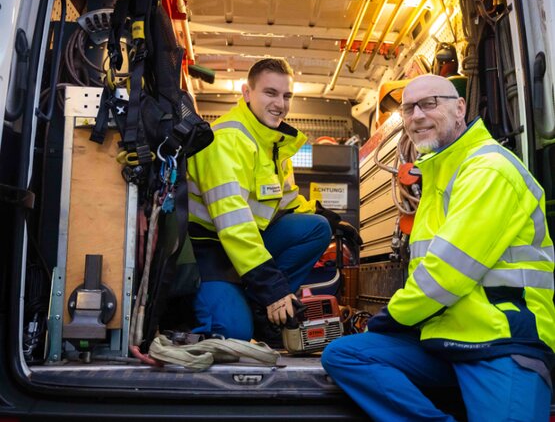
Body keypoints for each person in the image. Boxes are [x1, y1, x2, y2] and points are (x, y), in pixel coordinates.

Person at [322, 74, 555, 421]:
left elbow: (446, 275)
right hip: (445, 341)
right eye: (408, 109)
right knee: (345, 354)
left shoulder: (489, 170)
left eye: (430, 103)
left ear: (460, 107)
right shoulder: (436, 176)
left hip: (500, 342)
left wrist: (388, 321)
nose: (417, 115)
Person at [187, 58, 345, 344]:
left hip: (249, 245)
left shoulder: (272, 142)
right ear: (247, 93)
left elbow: (284, 203)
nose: (280, 104)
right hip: (212, 251)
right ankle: (263, 301)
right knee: (234, 334)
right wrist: (272, 287)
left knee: (317, 228)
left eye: (287, 96)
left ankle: (262, 307)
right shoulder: (227, 139)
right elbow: (234, 225)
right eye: (270, 93)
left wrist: (328, 218)